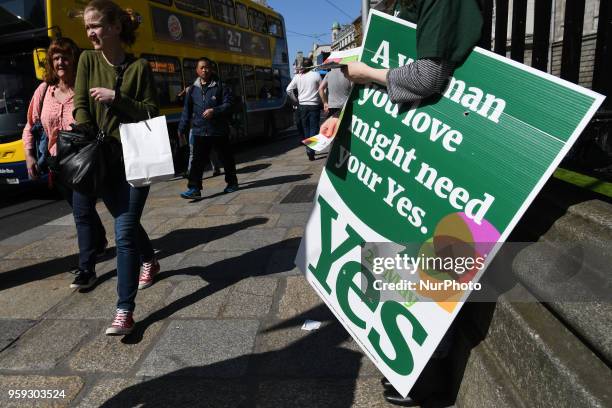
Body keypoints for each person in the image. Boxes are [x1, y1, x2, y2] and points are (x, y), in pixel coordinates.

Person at [319, 0, 483, 405]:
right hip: (409, 136)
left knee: (426, 242)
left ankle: (423, 370)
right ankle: (404, 360)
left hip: (440, 139)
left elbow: (428, 76)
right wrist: (345, 118)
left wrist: (364, 73)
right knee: (395, 236)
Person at [73, 0, 161, 335]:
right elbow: (81, 106)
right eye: (87, 27)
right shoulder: (87, 60)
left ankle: (124, 311)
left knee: (123, 232)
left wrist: (116, 98)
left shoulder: (140, 68)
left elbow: (151, 112)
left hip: (136, 157)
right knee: (127, 222)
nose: (90, 32)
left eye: (95, 25)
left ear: (115, 27)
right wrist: (87, 138)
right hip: (102, 161)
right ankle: (150, 260)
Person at [22, 37, 108, 289]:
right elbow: (31, 124)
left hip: (82, 161)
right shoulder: (43, 91)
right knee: (82, 210)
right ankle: (100, 241)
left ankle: (86, 269)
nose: (61, 61)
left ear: (75, 59)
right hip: (56, 164)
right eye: (56, 57)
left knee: (81, 214)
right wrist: (29, 154)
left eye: (66, 56)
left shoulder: (85, 87)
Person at [178, 57, 238, 199]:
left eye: (207, 67)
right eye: (202, 67)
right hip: (200, 130)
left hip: (218, 130)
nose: (205, 70)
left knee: (226, 158)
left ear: (211, 69)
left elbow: (229, 104)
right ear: (197, 70)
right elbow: (187, 110)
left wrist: (214, 111)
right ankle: (194, 189)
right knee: (197, 161)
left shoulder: (221, 86)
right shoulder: (192, 90)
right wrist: (181, 128)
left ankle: (232, 183)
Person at [286, 57, 321, 160]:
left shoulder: (297, 77)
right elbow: (322, 88)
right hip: (314, 105)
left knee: (305, 128)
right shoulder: (316, 75)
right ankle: (311, 150)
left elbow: (288, 89)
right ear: (311, 66)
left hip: (302, 105)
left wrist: (295, 100)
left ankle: (308, 147)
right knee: (314, 128)